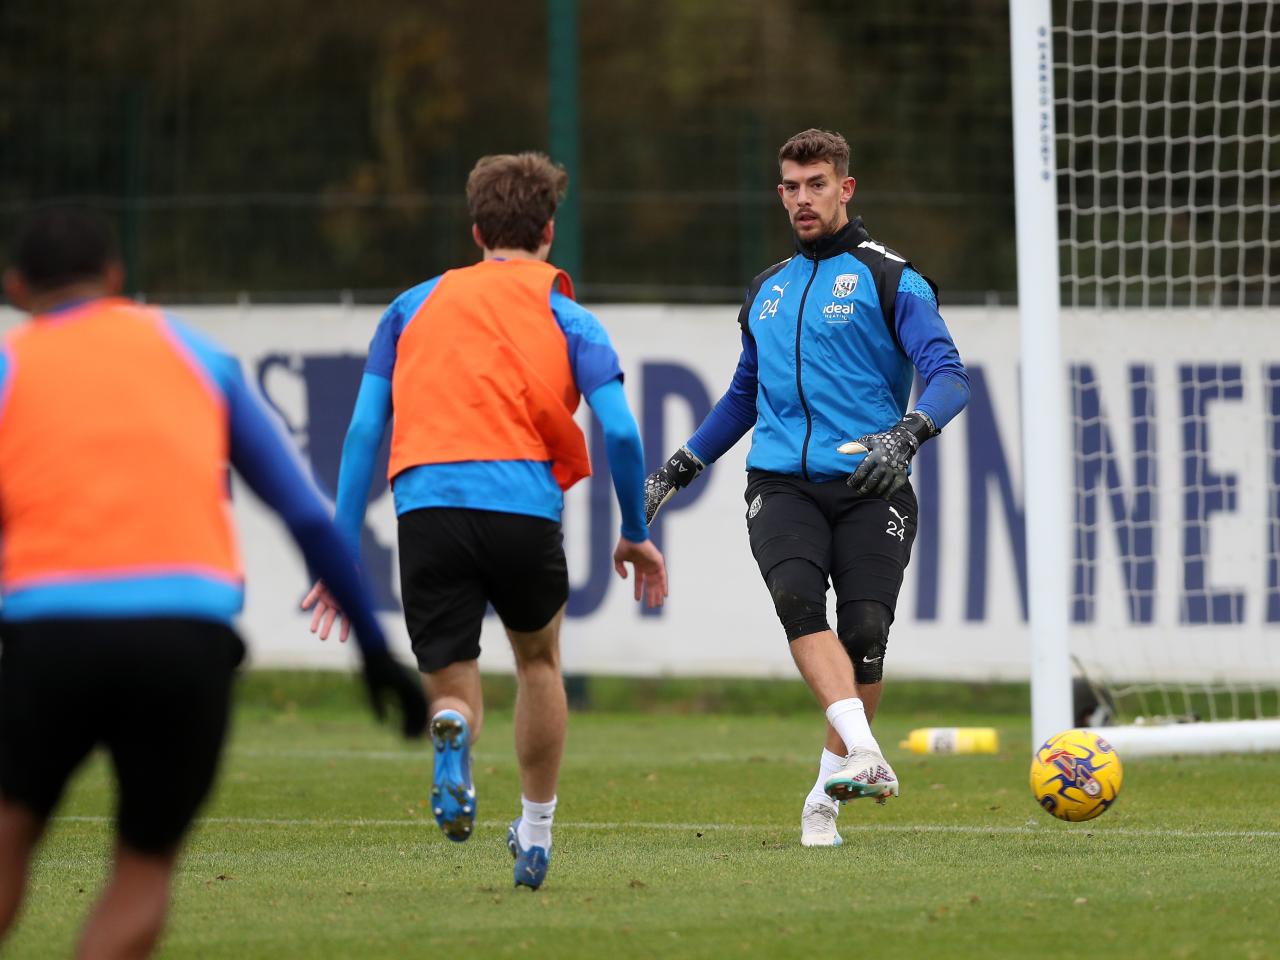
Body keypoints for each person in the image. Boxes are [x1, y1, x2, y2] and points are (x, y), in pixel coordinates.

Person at [0, 205, 425, 959]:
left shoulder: (11, 365)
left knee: (10, 833)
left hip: (47, 633)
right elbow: (307, 516)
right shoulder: (195, 355)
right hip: (185, 637)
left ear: (17, 288)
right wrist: (375, 650)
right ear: (115, 277)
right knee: (142, 868)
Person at [304, 151, 667, 889]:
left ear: (475, 231)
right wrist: (636, 528)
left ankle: (456, 732)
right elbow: (623, 433)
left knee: (452, 679)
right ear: (549, 230)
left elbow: (364, 432)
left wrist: (340, 544)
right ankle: (534, 835)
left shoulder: (409, 308)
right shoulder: (570, 315)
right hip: (522, 508)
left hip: (428, 506)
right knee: (538, 662)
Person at [644, 129, 969, 847]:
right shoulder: (767, 288)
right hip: (781, 482)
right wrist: (677, 468)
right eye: (789, 186)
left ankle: (824, 796)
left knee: (865, 635)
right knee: (797, 599)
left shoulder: (892, 278)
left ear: (845, 189)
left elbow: (949, 375)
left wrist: (908, 433)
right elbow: (742, 397)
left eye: (815, 183)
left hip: (871, 479)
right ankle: (866, 756)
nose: (801, 198)